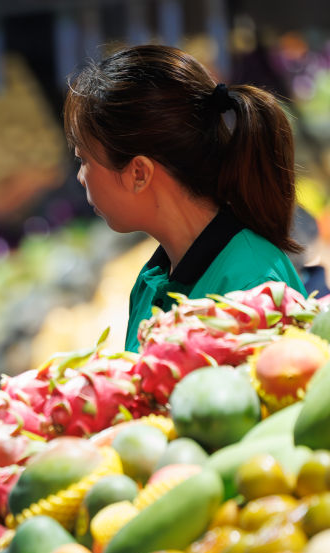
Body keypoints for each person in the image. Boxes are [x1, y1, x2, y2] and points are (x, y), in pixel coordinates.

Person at [63, 44, 307, 352]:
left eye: (83, 160)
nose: (80, 176)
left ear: (139, 173)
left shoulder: (253, 290)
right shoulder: (152, 280)